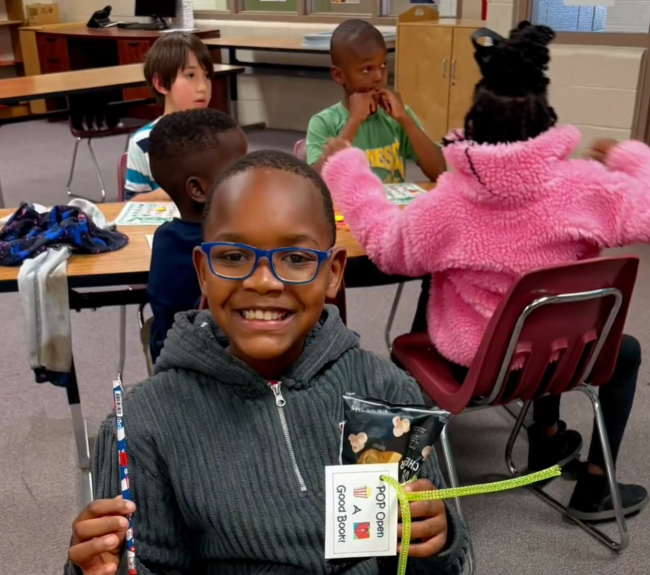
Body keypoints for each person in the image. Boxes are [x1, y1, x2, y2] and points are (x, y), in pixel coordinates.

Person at [321, 22, 650, 522]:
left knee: (459, 312)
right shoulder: (588, 189)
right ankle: (592, 482)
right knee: (621, 350)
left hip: (478, 367)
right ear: (547, 119)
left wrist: (348, 172)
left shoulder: (451, 203)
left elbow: (390, 250)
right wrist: (630, 157)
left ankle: (546, 439)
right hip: (566, 359)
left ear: (474, 122)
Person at [66, 151, 470, 575]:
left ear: (332, 273)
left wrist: (437, 541)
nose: (263, 281)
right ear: (203, 271)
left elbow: (425, 559)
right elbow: (140, 563)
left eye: (296, 259)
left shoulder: (388, 394)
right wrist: (100, 567)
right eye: (233, 257)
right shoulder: (142, 425)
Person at [144, 108, 248, 361]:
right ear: (199, 189)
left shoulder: (165, 240)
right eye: (241, 169)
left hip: (183, 372)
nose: (253, 175)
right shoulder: (254, 240)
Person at [307, 19, 446, 183]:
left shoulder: (397, 117)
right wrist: (354, 120)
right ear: (339, 75)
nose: (379, 76)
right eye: (367, 69)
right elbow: (314, 186)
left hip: (390, 208)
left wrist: (405, 119)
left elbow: (440, 172)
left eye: (383, 64)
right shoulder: (324, 123)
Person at [123, 32, 214, 201]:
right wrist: (167, 195)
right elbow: (130, 204)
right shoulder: (144, 142)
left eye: (207, 76)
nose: (203, 87)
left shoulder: (222, 136)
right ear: (161, 83)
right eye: (190, 76)